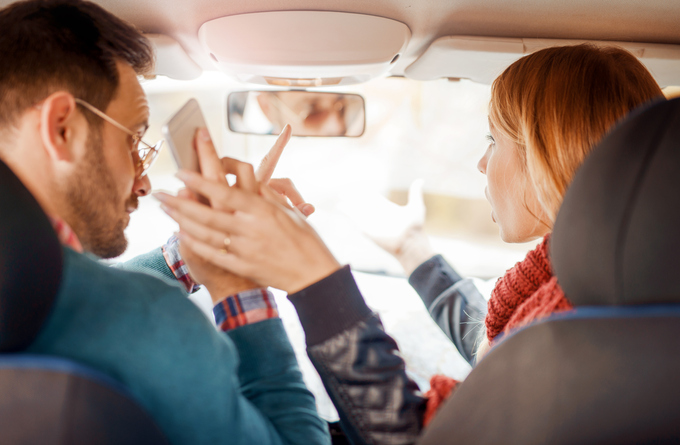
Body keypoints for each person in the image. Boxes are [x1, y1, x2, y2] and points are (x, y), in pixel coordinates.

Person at [156, 44, 665, 444]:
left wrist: (312, 278)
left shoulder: (579, 312)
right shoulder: (599, 284)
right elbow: (502, 354)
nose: (482, 164)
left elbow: (413, 436)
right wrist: (411, 250)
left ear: (543, 153)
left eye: (493, 139)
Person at [0, 1, 329, 444]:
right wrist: (239, 284)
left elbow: (70, 296)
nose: (142, 182)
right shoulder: (153, 323)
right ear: (61, 128)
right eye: (132, 141)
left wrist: (180, 257)